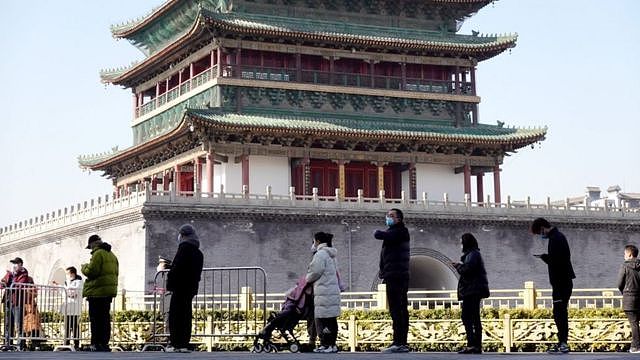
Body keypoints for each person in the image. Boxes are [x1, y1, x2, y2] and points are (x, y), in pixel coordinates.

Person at [530, 217, 575, 354]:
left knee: (559, 313)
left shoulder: (556, 239)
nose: (541, 235)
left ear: (543, 228)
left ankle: (563, 343)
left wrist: (545, 258)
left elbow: (558, 261)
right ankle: (562, 342)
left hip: (561, 282)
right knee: (560, 312)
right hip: (563, 281)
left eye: (540, 232)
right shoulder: (558, 237)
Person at [375, 208, 410, 353]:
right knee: (397, 309)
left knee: (398, 309)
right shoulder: (394, 232)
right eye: (387, 215)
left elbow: (379, 234)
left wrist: (377, 232)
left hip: (397, 275)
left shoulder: (400, 231)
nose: (388, 218)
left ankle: (400, 342)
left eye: (391, 216)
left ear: (399, 219)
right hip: (393, 274)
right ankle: (399, 341)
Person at [165, 224, 204, 353]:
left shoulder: (183, 249)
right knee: (186, 315)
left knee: (176, 315)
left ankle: (176, 343)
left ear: (182, 235)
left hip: (179, 287)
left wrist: (167, 271)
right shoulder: (198, 252)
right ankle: (184, 343)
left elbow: (178, 269)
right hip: (191, 288)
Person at [453, 233, 490, 354]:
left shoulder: (473, 254)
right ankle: (475, 345)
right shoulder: (473, 254)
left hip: (472, 290)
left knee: (469, 317)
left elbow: (467, 270)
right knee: (473, 318)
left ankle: (473, 345)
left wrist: (458, 266)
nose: (461, 245)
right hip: (474, 290)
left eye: (461, 242)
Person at [81, 234, 119, 352]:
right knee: (105, 318)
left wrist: (84, 267)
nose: (91, 249)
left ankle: (96, 343)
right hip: (108, 292)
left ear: (93, 244)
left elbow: (92, 271)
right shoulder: (112, 255)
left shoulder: (98, 254)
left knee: (96, 319)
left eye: (90, 247)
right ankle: (104, 343)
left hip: (97, 292)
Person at [306, 232, 341, 353]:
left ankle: (326, 344)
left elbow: (315, 272)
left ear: (318, 241)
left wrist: (307, 279)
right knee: (331, 319)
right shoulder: (331, 254)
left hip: (323, 291)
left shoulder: (320, 254)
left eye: (314, 241)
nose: (313, 244)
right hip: (331, 290)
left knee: (322, 318)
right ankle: (332, 344)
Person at [1, 257, 32, 349]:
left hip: (17, 302)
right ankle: (7, 343)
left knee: (18, 324)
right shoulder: (9, 274)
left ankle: (20, 344)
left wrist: (10, 284)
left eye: (16, 263)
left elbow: (19, 285)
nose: (14, 265)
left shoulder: (24, 274)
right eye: (13, 263)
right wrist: (5, 282)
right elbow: (2, 283)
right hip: (7, 301)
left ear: (21, 264)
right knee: (7, 324)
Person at [617, 244, 640, 353]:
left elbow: (619, 283)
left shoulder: (625, 266)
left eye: (625, 254)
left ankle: (636, 347)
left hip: (629, 298)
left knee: (634, 323)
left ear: (629, 254)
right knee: (636, 323)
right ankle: (635, 346)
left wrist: (624, 292)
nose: (624, 256)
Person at [61, 266, 84, 349]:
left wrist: (69, 291)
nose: (67, 275)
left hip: (75, 306)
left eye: (68, 273)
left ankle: (76, 344)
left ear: (72, 273)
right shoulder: (66, 282)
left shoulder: (79, 281)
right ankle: (66, 344)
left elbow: (76, 291)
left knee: (74, 326)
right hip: (67, 307)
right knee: (66, 326)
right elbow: (64, 292)